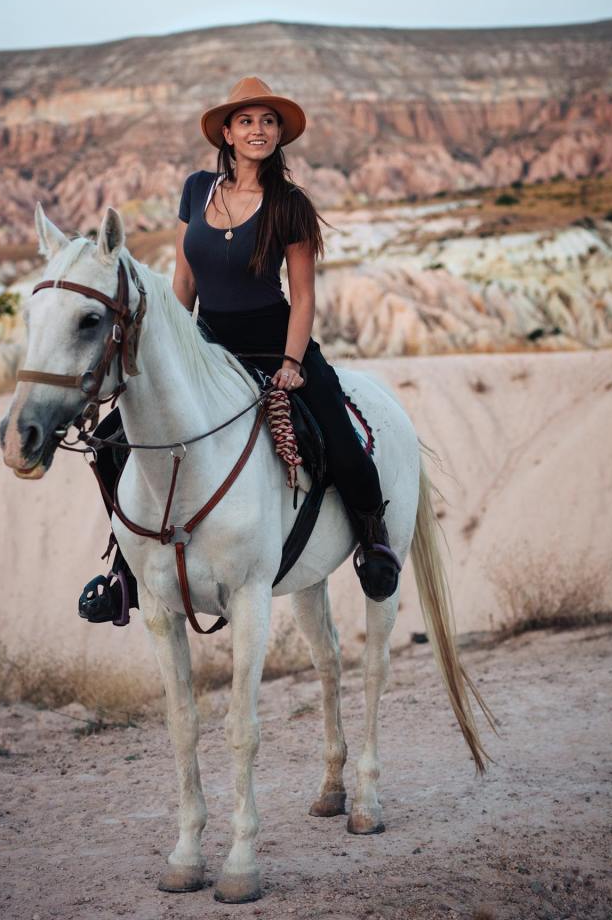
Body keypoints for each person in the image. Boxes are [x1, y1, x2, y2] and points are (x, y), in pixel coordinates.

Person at [78, 77, 401, 624]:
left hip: (277, 346)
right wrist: (172, 350)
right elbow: (184, 280)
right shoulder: (196, 189)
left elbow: (303, 298)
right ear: (226, 132)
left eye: (268, 122)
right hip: (208, 345)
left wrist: (296, 364)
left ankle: (373, 540)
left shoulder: (290, 205)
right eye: (247, 121)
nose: (259, 130)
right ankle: (125, 572)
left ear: (280, 135)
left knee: (340, 435)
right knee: (113, 440)